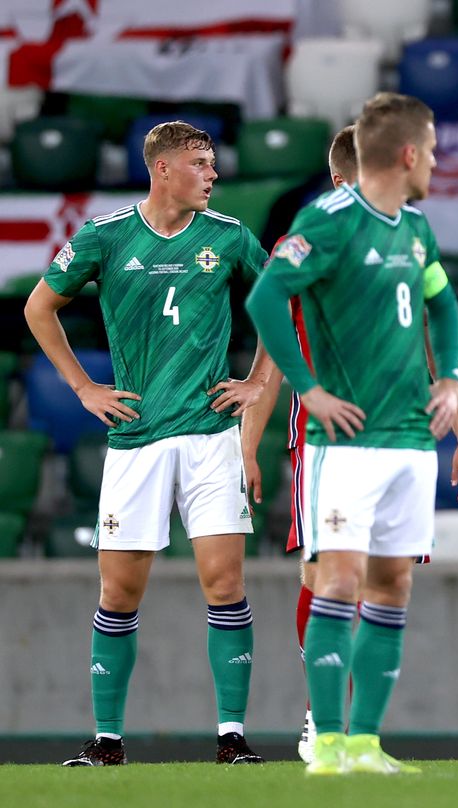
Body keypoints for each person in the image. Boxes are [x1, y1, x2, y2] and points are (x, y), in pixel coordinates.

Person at [26, 121, 273, 766]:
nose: (212, 175)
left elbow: (283, 301)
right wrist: (84, 388)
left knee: (223, 583)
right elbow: (37, 307)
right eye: (200, 163)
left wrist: (256, 380)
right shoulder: (105, 237)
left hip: (211, 435)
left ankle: (232, 738)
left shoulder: (228, 237)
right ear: (163, 169)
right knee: (119, 593)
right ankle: (107, 740)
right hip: (135, 437)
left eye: (213, 163)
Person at [239, 125, 458, 764]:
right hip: (330, 436)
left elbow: (436, 335)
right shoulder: (317, 234)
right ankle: (323, 724)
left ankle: (363, 736)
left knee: (387, 580)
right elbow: (267, 353)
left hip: (403, 432)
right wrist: (251, 441)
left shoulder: (410, 233)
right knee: (325, 573)